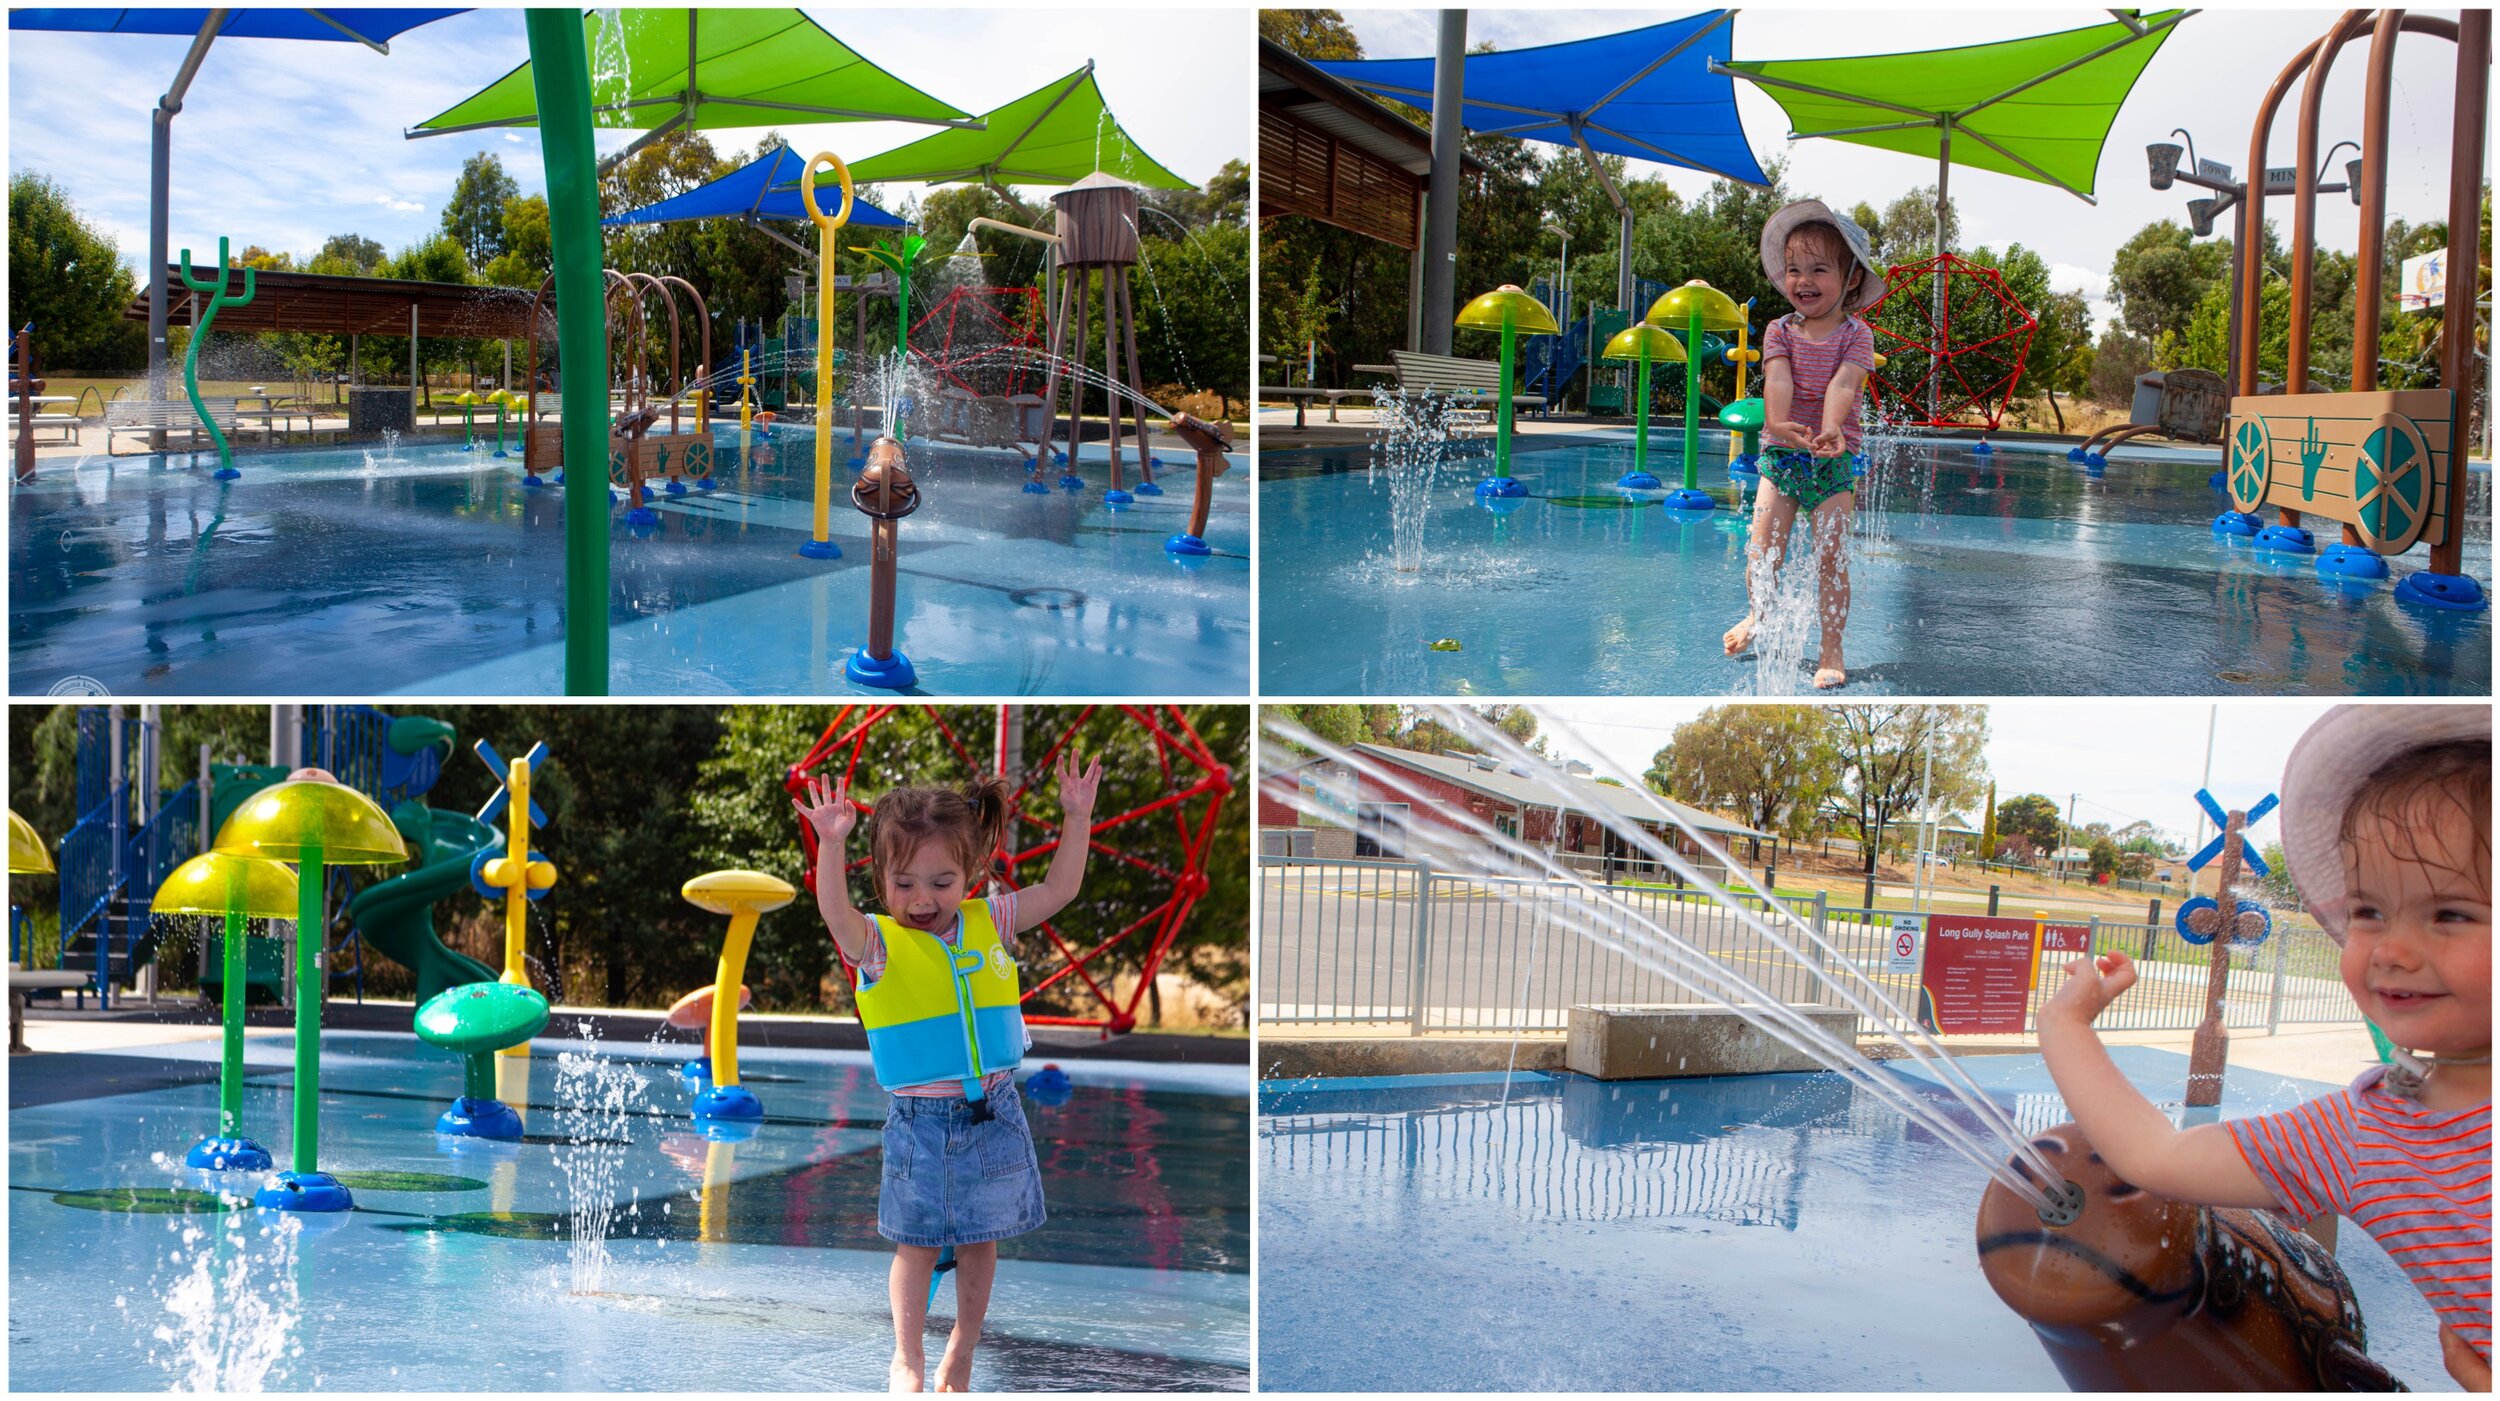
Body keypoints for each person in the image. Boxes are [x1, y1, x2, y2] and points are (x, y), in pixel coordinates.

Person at [2039, 706, 2490, 1389]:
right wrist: (2066, 1027)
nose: (2391, 950)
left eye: (2450, 913)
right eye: (2368, 910)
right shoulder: (2365, 1131)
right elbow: (2158, 1156)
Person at [793, 753, 1102, 1393]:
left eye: (940, 881)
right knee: (917, 1244)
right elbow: (832, 911)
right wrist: (830, 844)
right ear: (879, 880)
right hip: (920, 1122)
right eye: (903, 883)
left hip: (996, 1109)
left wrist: (1078, 818)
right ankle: (906, 1356)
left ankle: (960, 1349)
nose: (922, 899)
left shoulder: (995, 918)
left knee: (983, 1239)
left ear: (970, 873)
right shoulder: (875, 943)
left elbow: (1064, 888)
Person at [1724, 200, 1885, 689]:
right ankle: (1758, 614)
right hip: (1782, 454)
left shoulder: (1857, 335)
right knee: (1761, 549)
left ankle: (1831, 647)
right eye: (1794, 269)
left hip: (1834, 458)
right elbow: (1777, 379)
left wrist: (1833, 429)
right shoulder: (1779, 330)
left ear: (1851, 278)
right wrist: (1777, 420)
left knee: (1832, 557)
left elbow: (1843, 383)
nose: (1803, 280)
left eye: (1819, 269)